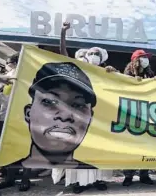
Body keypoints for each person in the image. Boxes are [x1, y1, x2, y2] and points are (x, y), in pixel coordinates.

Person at [57, 22, 112, 194]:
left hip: (100, 116)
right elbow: (63, 54)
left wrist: (113, 71)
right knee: (80, 146)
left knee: (100, 147)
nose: (94, 55)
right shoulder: (78, 68)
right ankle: (79, 182)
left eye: (97, 53)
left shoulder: (105, 72)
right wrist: (63, 33)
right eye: (91, 53)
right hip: (78, 115)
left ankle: (99, 179)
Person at [0, 54, 33, 192]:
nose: (7, 64)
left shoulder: (23, 73)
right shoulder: (4, 74)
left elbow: (21, 84)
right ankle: (9, 178)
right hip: (2, 116)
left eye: (9, 62)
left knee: (23, 148)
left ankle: (25, 178)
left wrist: (3, 79)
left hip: (18, 117)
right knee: (6, 149)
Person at [122, 49, 154, 186]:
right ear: (136, 60)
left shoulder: (149, 74)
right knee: (131, 145)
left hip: (147, 114)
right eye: (143, 58)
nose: (146, 60)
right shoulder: (127, 73)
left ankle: (144, 175)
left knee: (146, 145)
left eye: (146, 57)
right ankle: (128, 175)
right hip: (131, 113)